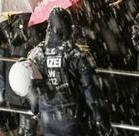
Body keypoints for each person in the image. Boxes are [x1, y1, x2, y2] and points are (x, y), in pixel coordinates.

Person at [27, 7, 111, 135]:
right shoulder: (76, 55)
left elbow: (32, 90)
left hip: (47, 120)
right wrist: (100, 119)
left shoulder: (37, 54)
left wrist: (36, 109)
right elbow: (91, 90)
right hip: (72, 117)